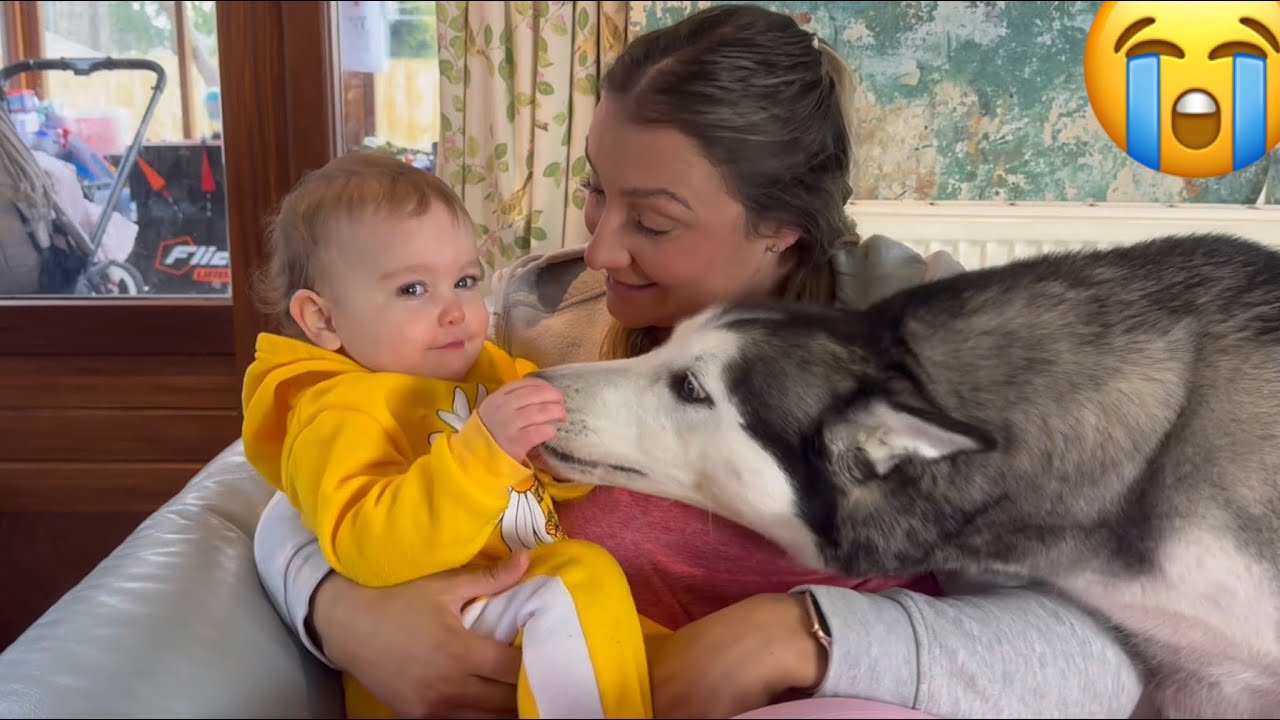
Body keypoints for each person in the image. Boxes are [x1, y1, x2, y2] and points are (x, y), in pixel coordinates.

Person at [253, 5, 1148, 719]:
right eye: (594, 190)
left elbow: (1114, 650)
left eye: (652, 220)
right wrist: (344, 613)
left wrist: (805, 635)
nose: (599, 249)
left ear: (780, 226)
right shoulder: (527, 318)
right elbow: (301, 471)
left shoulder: (938, 353)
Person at [240, 151, 656, 719]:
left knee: (639, 631)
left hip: (514, 603)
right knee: (581, 578)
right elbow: (365, 544)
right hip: (441, 622)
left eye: (464, 281)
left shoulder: (484, 368)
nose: (456, 311)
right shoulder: (339, 412)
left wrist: (555, 451)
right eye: (413, 289)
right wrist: (485, 455)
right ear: (323, 319)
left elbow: (561, 475)